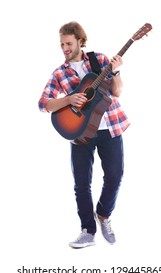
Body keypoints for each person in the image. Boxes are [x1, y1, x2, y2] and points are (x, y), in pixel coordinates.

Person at [38, 21, 130, 248]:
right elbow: (43, 104)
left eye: (68, 43)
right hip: (79, 132)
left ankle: (104, 214)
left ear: (80, 41)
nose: (65, 48)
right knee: (81, 183)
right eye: (61, 44)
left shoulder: (99, 60)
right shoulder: (60, 72)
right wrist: (69, 99)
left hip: (110, 127)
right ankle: (87, 231)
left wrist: (116, 71)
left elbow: (116, 92)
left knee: (115, 176)